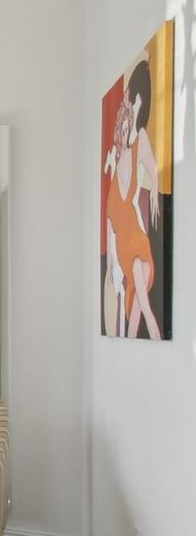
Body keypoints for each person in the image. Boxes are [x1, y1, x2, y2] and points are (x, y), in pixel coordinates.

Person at [103, 56, 162, 339]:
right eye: (122, 127)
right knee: (135, 313)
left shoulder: (139, 144)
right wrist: (113, 262)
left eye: (128, 125)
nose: (126, 130)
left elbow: (153, 167)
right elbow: (109, 222)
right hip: (123, 255)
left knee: (146, 309)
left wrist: (154, 195)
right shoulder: (116, 171)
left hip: (137, 248)